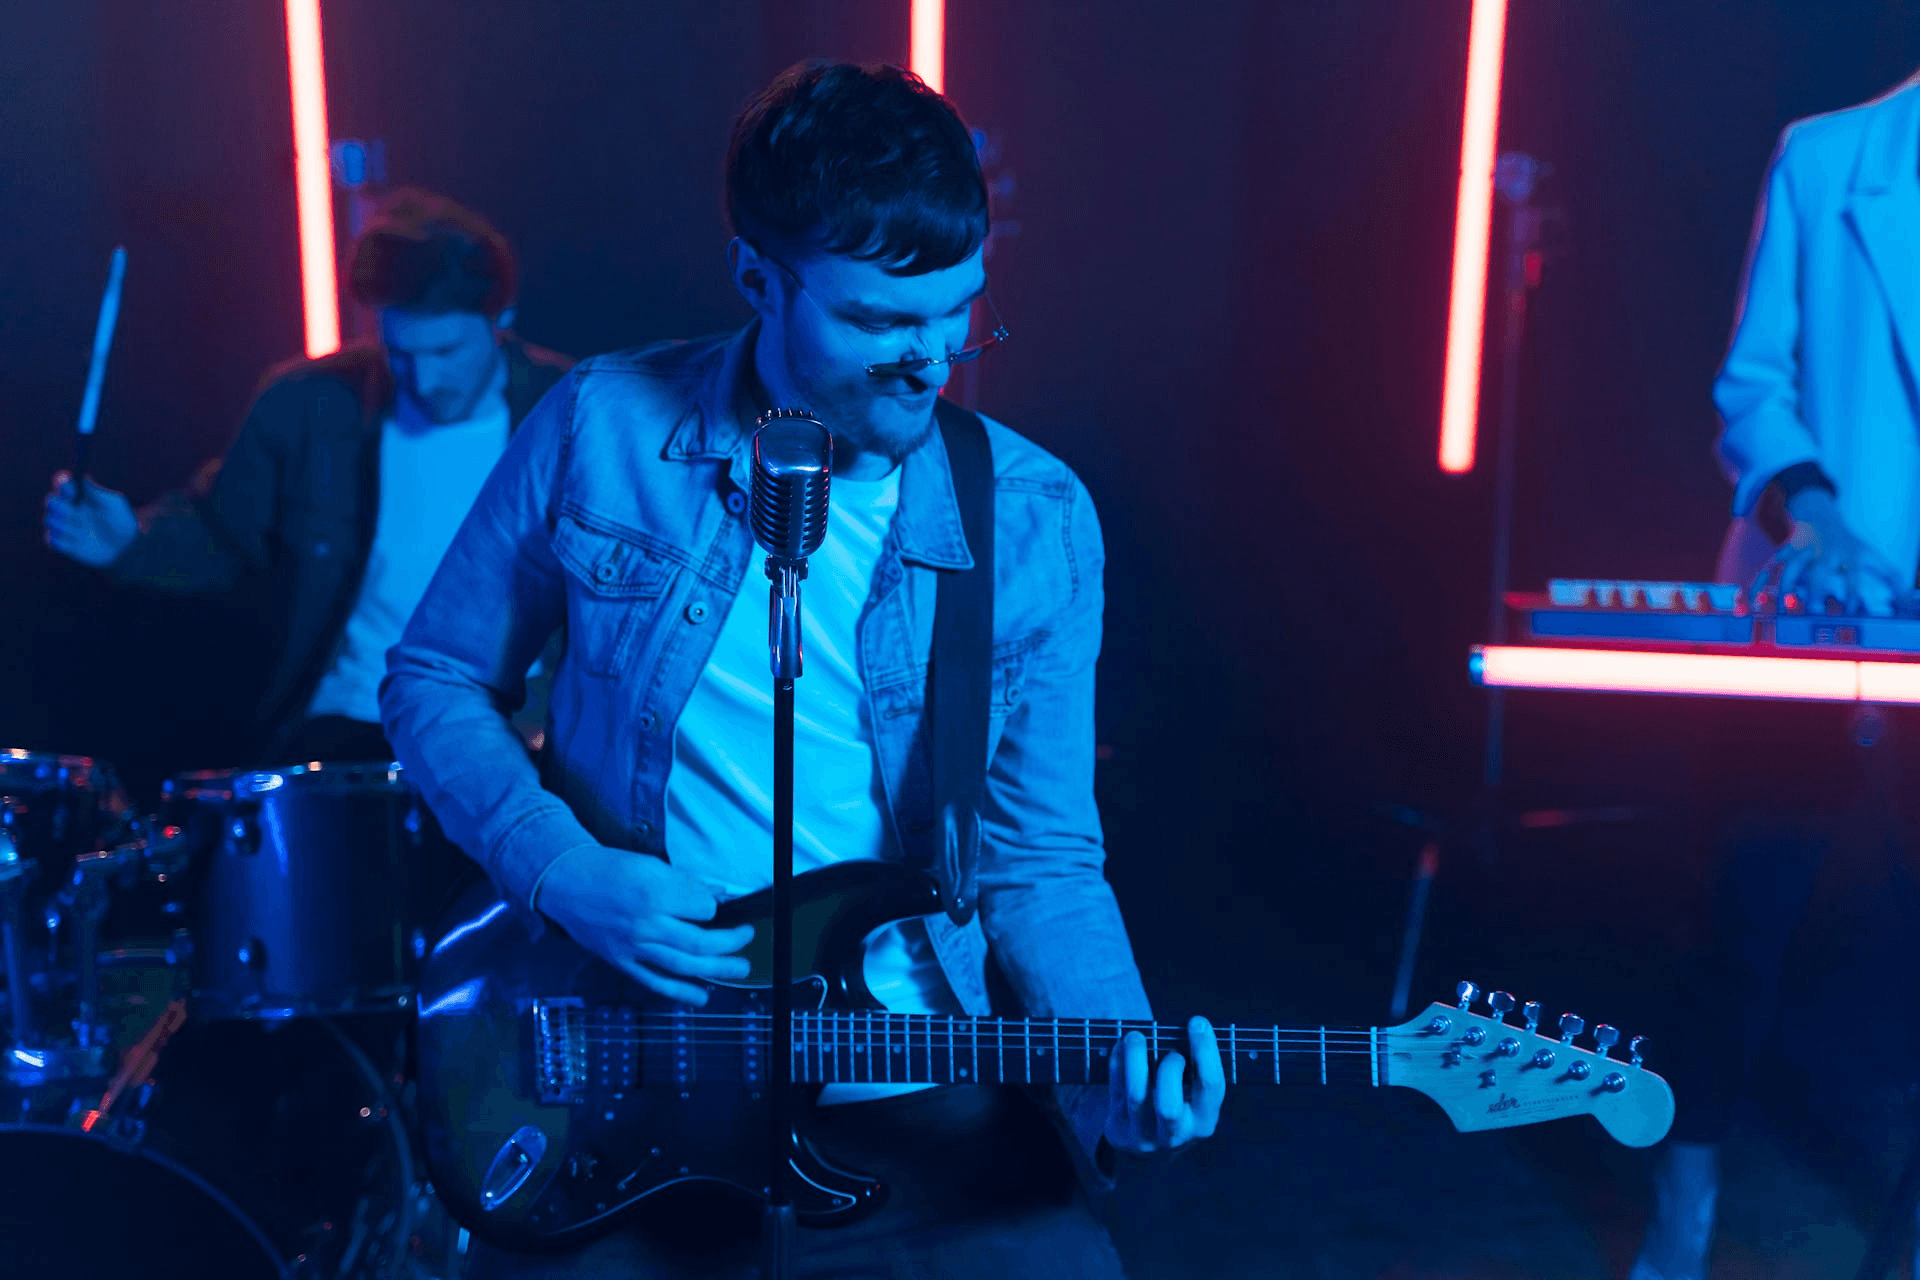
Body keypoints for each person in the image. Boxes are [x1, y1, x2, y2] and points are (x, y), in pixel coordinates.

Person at [381, 62, 1225, 1278]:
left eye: (958, 311)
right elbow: (434, 676)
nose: (930, 361)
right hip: (626, 1067)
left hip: (919, 1089)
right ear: (756, 280)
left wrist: (1118, 1067)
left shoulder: (1034, 516)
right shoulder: (601, 428)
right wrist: (560, 869)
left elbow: (1041, 854)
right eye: (880, 321)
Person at [1633, 70, 1920, 1280]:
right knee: (1739, 922)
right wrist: (1815, 517)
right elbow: (1755, 379)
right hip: (1817, 613)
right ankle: (1681, 1204)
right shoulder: (1827, 154)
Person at [43, 188, 571, 763]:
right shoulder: (307, 404)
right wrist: (130, 543)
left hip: (516, 732)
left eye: (446, 351)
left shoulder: (569, 411)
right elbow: (225, 535)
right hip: (353, 725)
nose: (424, 379)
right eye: (399, 353)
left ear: (503, 320)